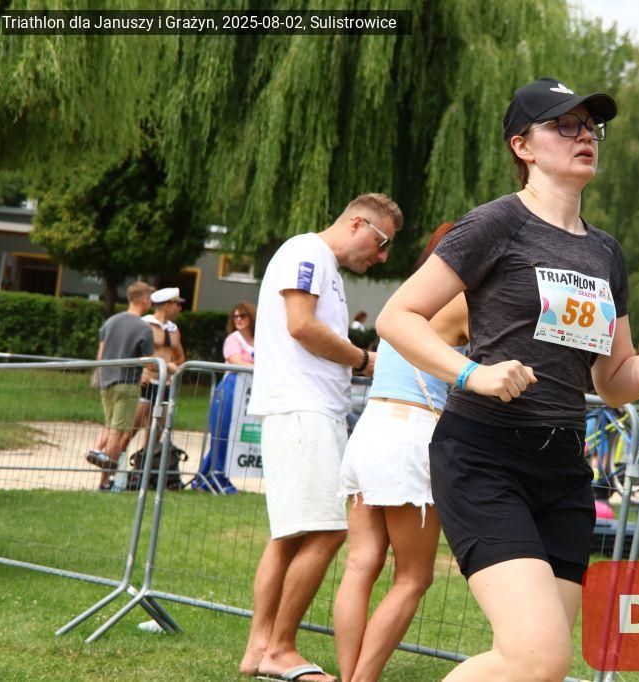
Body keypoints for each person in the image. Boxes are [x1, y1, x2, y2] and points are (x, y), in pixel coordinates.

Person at [377, 78, 639, 680]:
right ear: (523, 146)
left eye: (590, 126)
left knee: (541, 671)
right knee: (538, 658)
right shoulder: (495, 223)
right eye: (564, 124)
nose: (585, 135)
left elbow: (613, 382)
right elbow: (396, 317)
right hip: (484, 457)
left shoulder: (606, 253)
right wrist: (473, 374)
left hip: (563, 469)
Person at [240, 192, 402, 682]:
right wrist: (363, 359)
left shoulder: (320, 263)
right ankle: (280, 649)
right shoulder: (306, 252)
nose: (383, 257)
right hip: (303, 409)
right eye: (382, 243)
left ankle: (260, 648)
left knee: (290, 535)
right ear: (357, 224)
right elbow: (301, 325)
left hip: (305, 410)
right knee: (328, 530)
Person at [333, 223, 468, 682]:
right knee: (413, 576)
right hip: (410, 434)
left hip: (370, 428)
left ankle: (350, 676)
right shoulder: (460, 303)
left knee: (360, 564)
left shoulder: (407, 298)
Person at [85, 281, 155, 491]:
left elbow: (101, 354)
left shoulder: (111, 322)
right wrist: (158, 368)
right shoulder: (144, 328)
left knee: (110, 426)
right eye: (149, 298)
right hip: (128, 383)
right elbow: (149, 362)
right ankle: (105, 481)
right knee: (118, 433)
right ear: (144, 300)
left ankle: (96, 449)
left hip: (106, 381)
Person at [193, 301, 256, 494]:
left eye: (243, 315)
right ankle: (217, 477)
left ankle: (203, 479)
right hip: (230, 388)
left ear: (252, 317)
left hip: (248, 391)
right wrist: (260, 367)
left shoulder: (259, 339)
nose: (238, 319)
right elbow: (237, 362)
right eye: (235, 316)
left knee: (233, 435)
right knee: (221, 434)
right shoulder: (233, 339)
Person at [129, 287, 186, 455]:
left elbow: (180, 357)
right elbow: (131, 352)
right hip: (145, 384)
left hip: (164, 386)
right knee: (129, 431)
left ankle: (142, 468)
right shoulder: (145, 324)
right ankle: (115, 468)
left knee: (154, 436)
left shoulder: (173, 330)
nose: (180, 308)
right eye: (177, 304)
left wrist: (172, 371)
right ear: (167, 305)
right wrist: (141, 371)